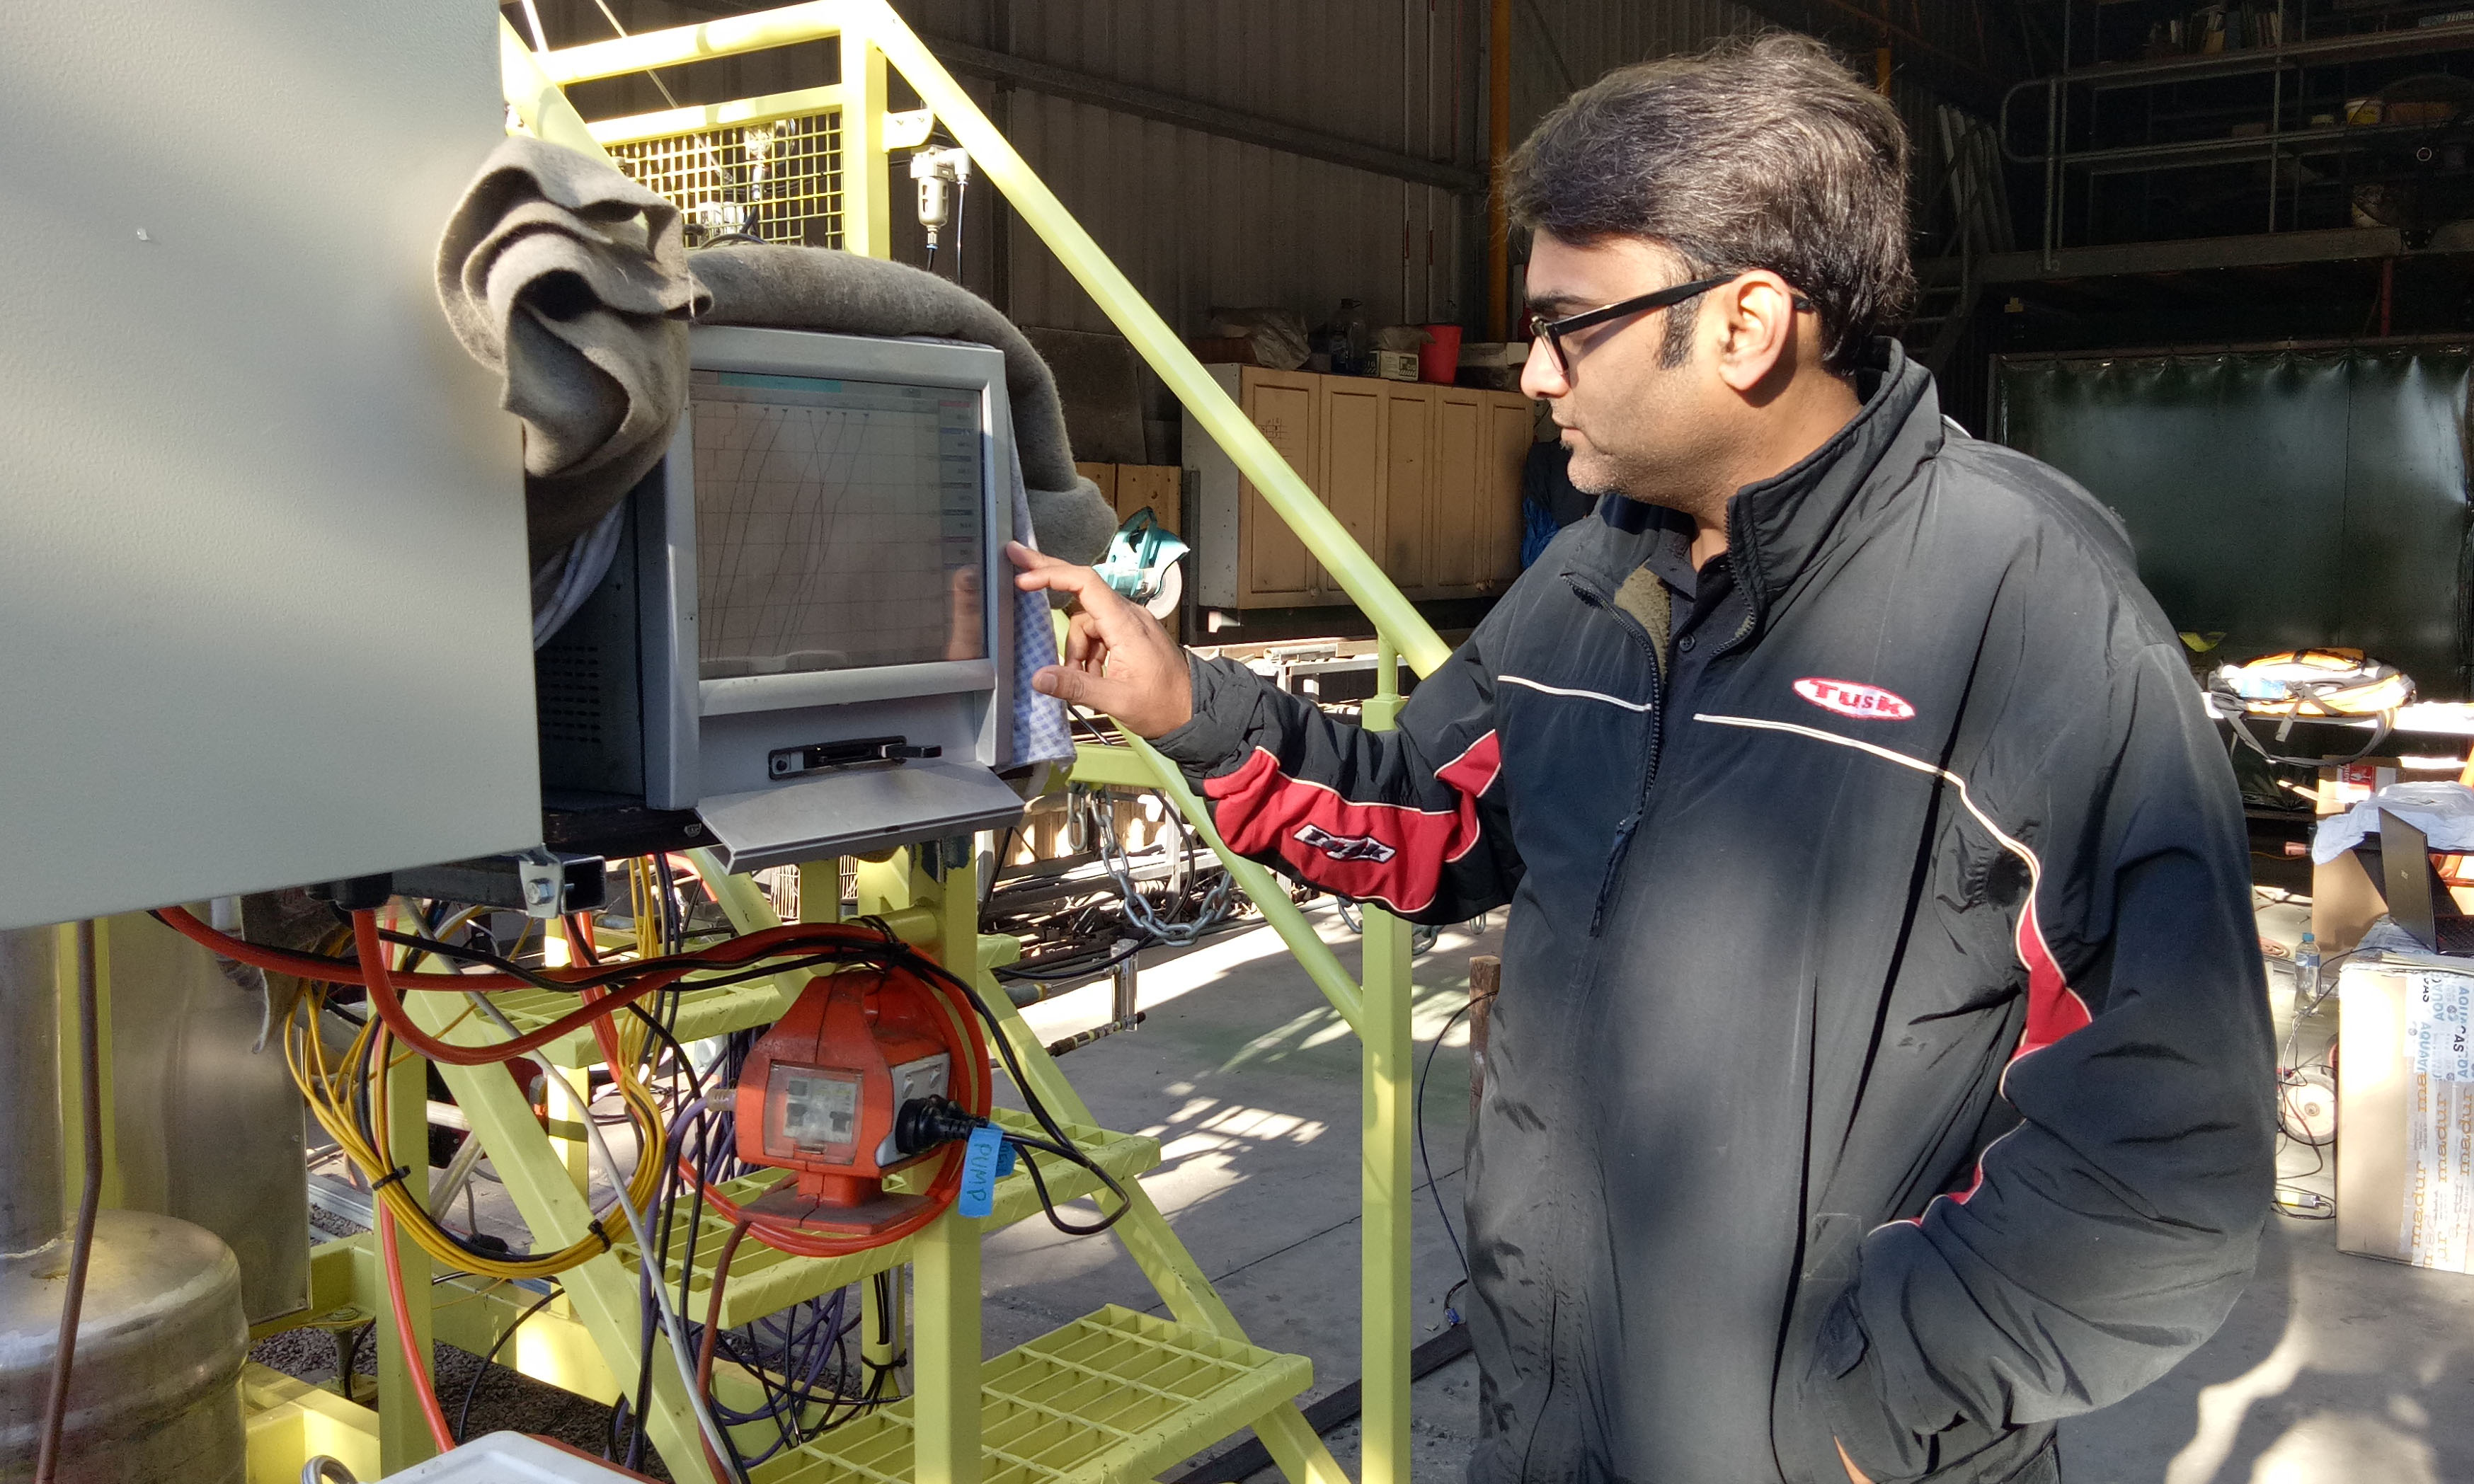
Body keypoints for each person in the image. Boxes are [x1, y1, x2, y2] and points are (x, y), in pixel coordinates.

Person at [1007, 33, 2273, 1484]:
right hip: (1551, 1424)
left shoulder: (2023, 608)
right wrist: (1188, 705)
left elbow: (2164, 1149)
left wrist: (1864, 1409)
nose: (1533, 373)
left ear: (1744, 322)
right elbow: (1425, 820)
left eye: (1569, 325)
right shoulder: (1595, 577)